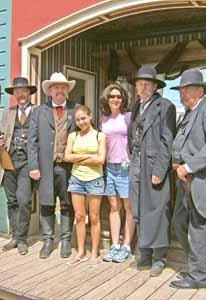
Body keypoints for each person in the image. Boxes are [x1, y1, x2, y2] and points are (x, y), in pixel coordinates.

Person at [168, 69, 206, 289]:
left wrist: (189, 166)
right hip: (184, 181)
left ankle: (198, 277)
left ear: (200, 90)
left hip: (200, 180)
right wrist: (177, 161)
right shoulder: (188, 113)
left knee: (199, 228)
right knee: (180, 223)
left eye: (187, 89)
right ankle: (201, 268)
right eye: (181, 89)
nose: (183, 93)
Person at [128, 66, 176, 277]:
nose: (143, 86)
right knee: (138, 211)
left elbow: (168, 141)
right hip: (136, 164)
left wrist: (160, 169)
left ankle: (159, 258)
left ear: (156, 86)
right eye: (140, 83)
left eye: (148, 83)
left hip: (153, 166)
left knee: (157, 212)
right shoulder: (136, 105)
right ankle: (144, 252)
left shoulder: (165, 106)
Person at [28, 72, 78, 259]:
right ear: (49, 91)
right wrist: (33, 165)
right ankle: (48, 240)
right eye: (56, 87)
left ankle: (65, 240)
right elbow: (31, 141)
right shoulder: (39, 111)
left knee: (67, 204)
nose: (60, 90)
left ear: (67, 90)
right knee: (47, 203)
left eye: (63, 87)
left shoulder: (76, 109)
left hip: (68, 167)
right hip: (45, 167)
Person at [0, 77, 37, 255]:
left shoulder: (38, 111)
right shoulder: (7, 112)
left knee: (24, 201)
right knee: (11, 200)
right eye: (17, 92)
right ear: (14, 94)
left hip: (28, 162)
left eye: (23, 91)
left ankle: (22, 238)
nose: (20, 94)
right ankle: (15, 237)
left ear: (29, 92)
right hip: (9, 161)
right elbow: (0, 137)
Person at [64, 105, 107, 266]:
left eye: (83, 118)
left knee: (94, 217)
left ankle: (94, 252)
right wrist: (90, 155)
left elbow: (101, 159)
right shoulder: (73, 136)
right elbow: (67, 157)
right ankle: (81, 251)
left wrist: (79, 157)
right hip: (76, 179)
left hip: (94, 179)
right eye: (78, 119)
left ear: (90, 116)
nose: (81, 122)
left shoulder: (99, 136)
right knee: (79, 216)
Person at [100, 84, 135, 263]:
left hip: (125, 167)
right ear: (107, 99)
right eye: (112, 96)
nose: (116, 99)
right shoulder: (104, 120)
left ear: (123, 99)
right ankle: (114, 245)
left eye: (119, 97)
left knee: (128, 208)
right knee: (114, 208)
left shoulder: (128, 117)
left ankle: (126, 245)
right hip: (109, 168)